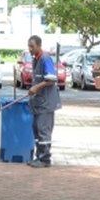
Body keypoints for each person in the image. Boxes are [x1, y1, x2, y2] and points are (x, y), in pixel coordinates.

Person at [26, 35, 62, 168]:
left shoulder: (45, 58)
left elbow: (51, 79)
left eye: (32, 46)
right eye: (29, 46)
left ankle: (45, 159)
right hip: (38, 103)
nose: (30, 49)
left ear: (39, 46)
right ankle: (39, 156)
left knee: (43, 131)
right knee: (36, 130)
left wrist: (36, 87)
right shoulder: (36, 59)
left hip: (46, 104)